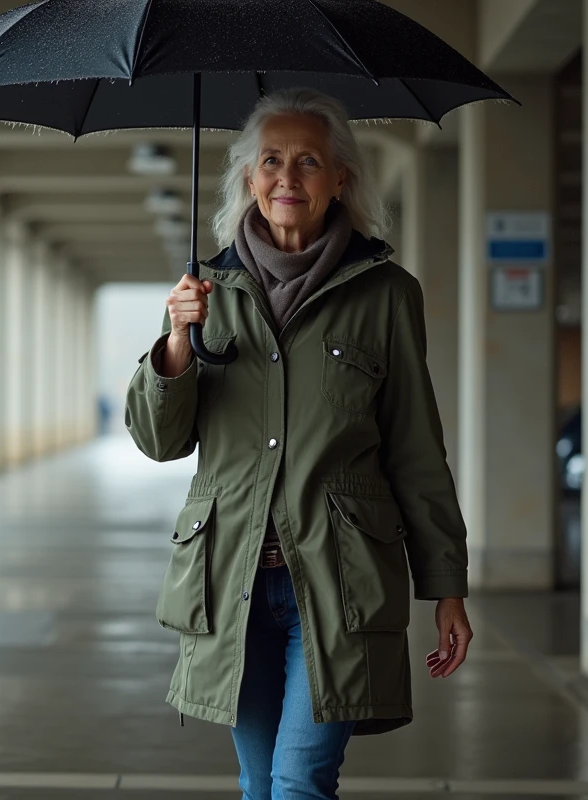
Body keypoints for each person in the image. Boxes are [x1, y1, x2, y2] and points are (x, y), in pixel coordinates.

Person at [125, 89, 472, 800]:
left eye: (308, 160)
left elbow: (415, 449)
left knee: (298, 780)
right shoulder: (205, 291)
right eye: (271, 160)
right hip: (232, 582)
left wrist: (446, 585)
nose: (288, 177)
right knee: (260, 783)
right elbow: (160, 441)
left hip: (340, 583)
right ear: (249, 178)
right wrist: (178, 338)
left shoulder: (386, 294)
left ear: (340, 176)